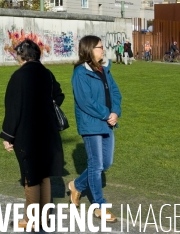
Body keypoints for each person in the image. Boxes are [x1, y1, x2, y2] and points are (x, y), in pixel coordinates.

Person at [0, 39, 64, 229]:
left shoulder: (19, 76)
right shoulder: (47, 73)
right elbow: (59, 95)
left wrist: (7, 135)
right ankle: (43, 218)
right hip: (48, 131)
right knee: (44, 175)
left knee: (31, 176)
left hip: (27, 132)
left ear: (22, 55)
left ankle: (31, 220)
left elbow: (13, 108)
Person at [68, 35, 122, 223]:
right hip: (91, 124)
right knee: (96, 164)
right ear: (89, 49)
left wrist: (115, 112)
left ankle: (76, 185)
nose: (103, 50)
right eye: (100, 47)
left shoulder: (104, 70)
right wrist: (107, 113)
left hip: (107, 122)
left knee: (104, 164)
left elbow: (115, 92)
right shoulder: (80, 73)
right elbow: (85, 102)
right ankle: (99, 205)